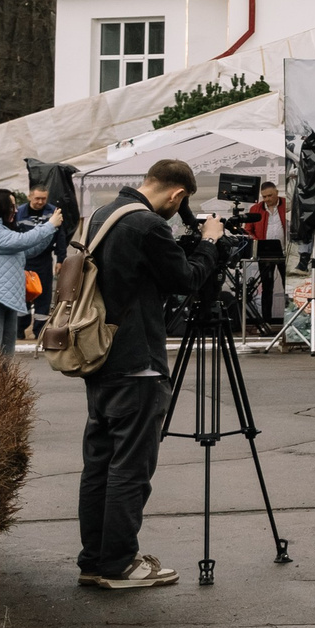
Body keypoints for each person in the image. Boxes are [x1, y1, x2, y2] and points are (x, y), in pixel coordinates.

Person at [76, 157, 227, 589]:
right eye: (181, 203)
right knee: (131, 467)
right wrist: (210, 244)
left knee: (100, 465)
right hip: (137, 361)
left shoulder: (102, 216)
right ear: (177, 195)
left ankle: (95, 560)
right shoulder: (147, 225)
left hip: (99, 355)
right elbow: (186, 279)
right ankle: (121, 564)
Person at [0, 188, 60, 357]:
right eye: (11, 206)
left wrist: (51, 230)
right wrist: (49, 225)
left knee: (5, 358)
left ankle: (3, 385)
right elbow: (23, 241)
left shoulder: (4, 231)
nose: (16, 210)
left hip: (7, 299)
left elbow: (29, 249)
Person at [238, 181, 292, 325]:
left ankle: (291, 320)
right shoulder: (256, 209)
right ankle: (266, 321)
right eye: (264, 197)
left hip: (286, 252)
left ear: (277, 193)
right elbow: (248, 230)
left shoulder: (287, 204)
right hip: (265, 252)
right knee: (267, 287)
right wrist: (257, 242)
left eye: (270, 196)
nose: (267, 199)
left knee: (289, 285)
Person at [13, 182, 60, 334]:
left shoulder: (54, 213)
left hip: (44, 260)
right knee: (22, 293)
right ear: (29, 197)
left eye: (43, 199)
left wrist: (61, 258)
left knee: (44, 295)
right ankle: (19, 328)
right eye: (37, 198)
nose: (40, 202)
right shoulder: (18, 212)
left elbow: (61, 236)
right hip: (23, 259)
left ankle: (40, 330)